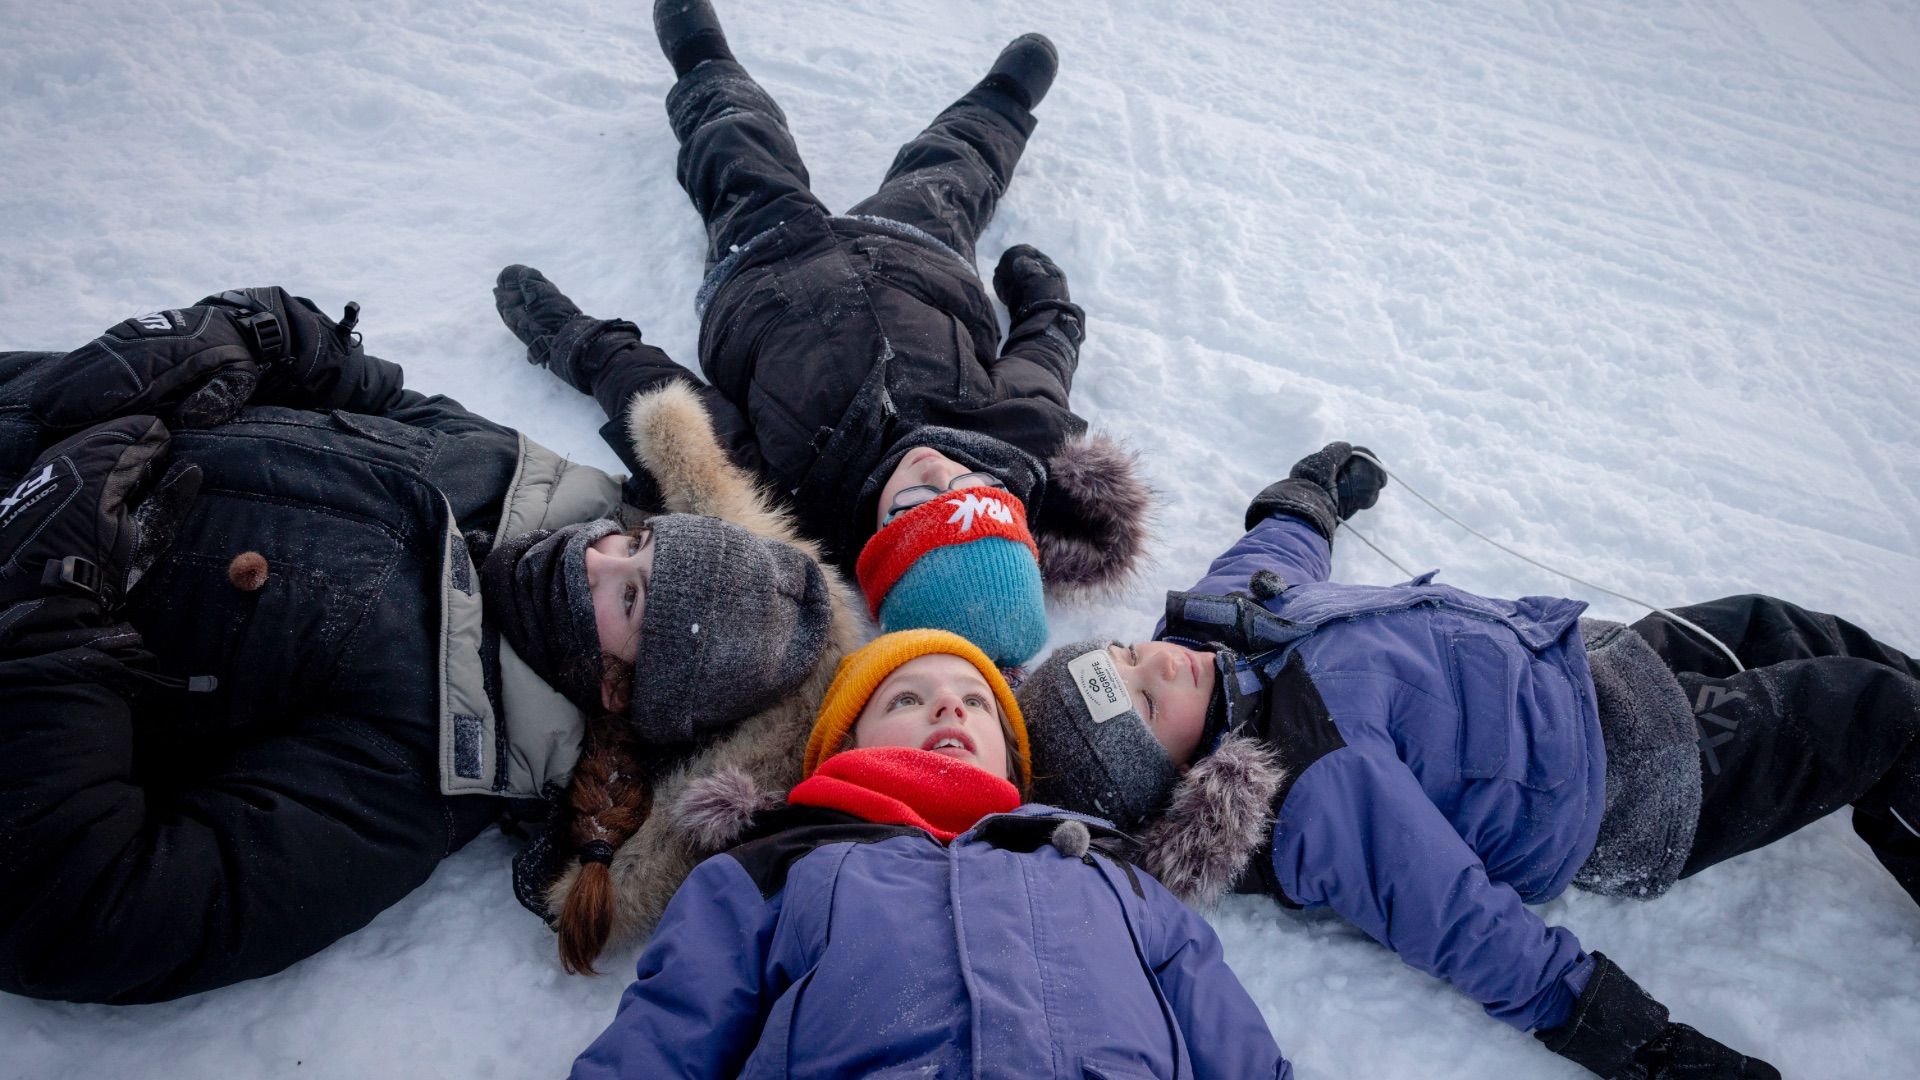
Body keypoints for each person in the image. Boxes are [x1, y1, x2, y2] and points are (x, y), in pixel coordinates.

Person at [0, 290, 860, 1002]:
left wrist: (44, 609)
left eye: (628, 598)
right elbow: (357, 383)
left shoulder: (420, 770)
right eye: (637, 545)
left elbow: (99, 913)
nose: (598, 554)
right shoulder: (515, 480)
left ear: (618, 691)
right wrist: (237, 334)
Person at [1012, 441, 1917, 1079]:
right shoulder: (1312, 788)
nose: (1158, 664)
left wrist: (1311, 492)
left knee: (1779, 625)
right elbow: (1458, 920)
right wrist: (1633, 1041)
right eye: (1143, 703)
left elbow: (1274, 554)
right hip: (1631, 779)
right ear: (1170, 775)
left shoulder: (1207, 626)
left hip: (1593, 664)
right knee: (1875, 716)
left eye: (1124, 659)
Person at [492, 0, 1153, 668]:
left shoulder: (793, 497)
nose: (935, 474)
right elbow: (1044, 359)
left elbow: (674, 405)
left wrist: (576, 341)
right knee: (952, 168)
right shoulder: (1020, 441)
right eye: (968, 493)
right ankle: (1005, 97)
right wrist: (1050, 301)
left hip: (763, 271)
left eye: (913, 509)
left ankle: (702, 58)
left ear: (876, 550)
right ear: (1004, 502)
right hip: (921, 255)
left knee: (734, 150)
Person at [568, 629, 1294, 1079]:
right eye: (907, 698)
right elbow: (670, 1033)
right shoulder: (770, 867)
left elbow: (1216, 1019)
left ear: (1012, 761)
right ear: (846, 742)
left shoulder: (1109, 871)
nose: (949, 709)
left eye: (977, 702)